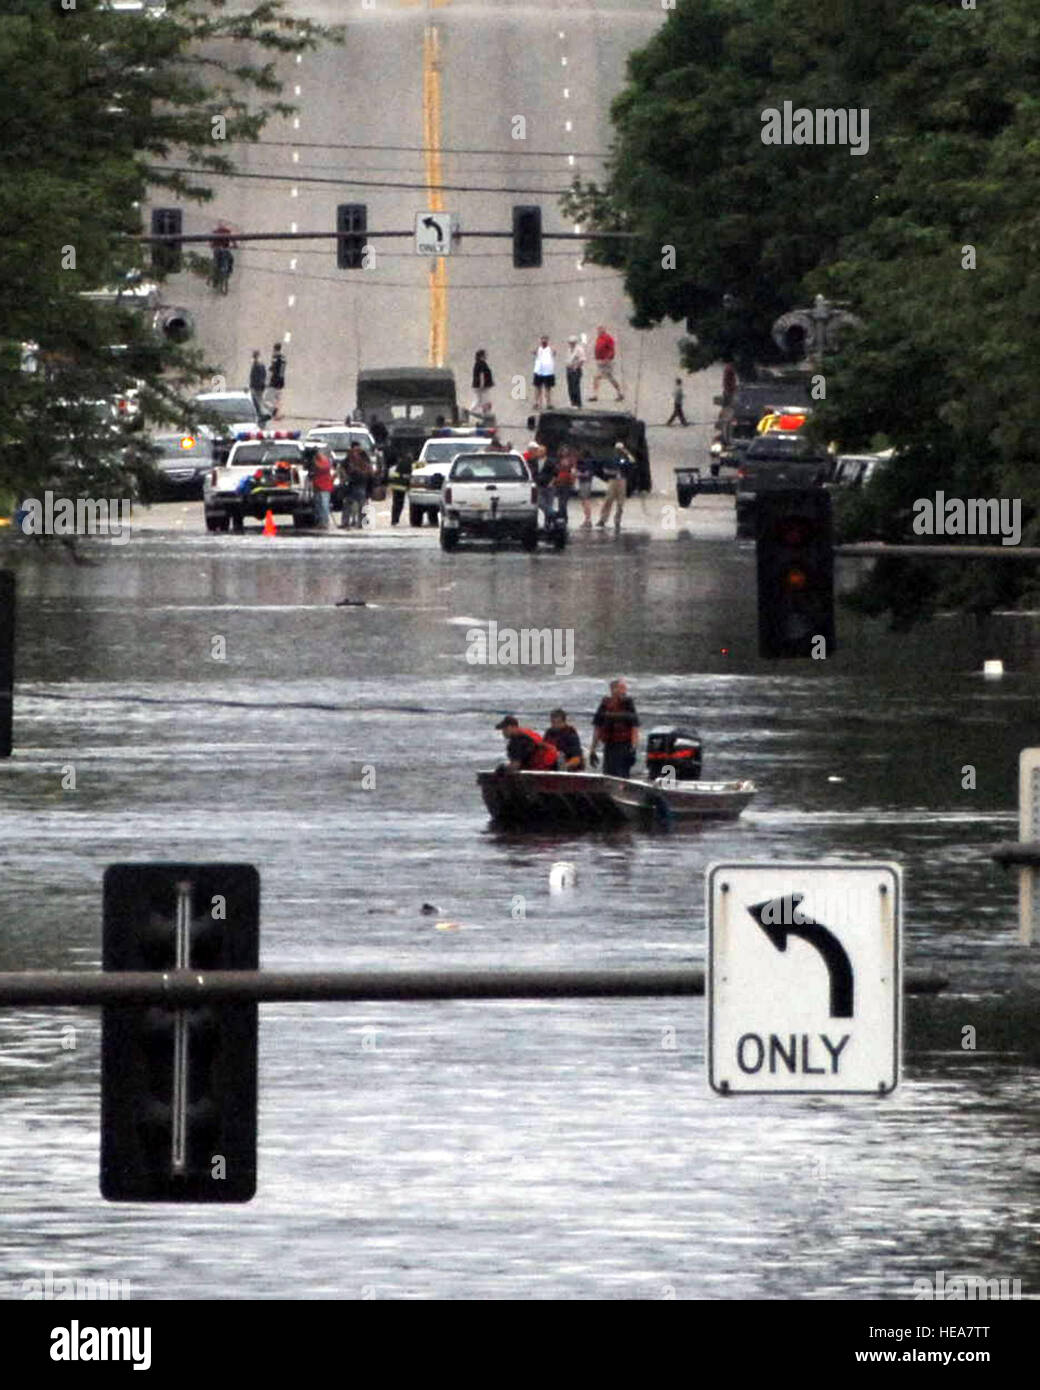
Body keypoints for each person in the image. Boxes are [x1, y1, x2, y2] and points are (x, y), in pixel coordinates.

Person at [590, 679, 639, 778]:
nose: (623, 691)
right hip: (609, 745)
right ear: (612, 690)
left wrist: (633, 748)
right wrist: (592, 750)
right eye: (620, 688)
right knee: (608, 773)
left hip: (624, 745)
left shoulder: (628, 704)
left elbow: (634, 727)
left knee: (622, 773)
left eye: (624, 689)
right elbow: (597, 728)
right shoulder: (604, 705)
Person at [495, 715, 560, 771]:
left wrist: (503, 769)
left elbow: (515, 766)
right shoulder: (525, 734)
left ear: (514, 727)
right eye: (502, 729)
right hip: (554, 760)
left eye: (506, 728)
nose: (503, 732)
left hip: (549, 764)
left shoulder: (518, 741)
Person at [596, 441, 634, 531]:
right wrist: (611, 473)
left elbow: (632, 462)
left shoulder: (625, 458)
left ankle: (617, 520)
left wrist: (627, 453)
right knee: (608, 500)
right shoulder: (611, 458)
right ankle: (603, 519)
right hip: (612, 480)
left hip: (622, 480)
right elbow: (604, 469)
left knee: (621, 502)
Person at [339, 442, 372, 528]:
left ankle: (361, 523)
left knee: (361, 504)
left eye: (358, 449)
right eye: (355, 449)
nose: (356, 451)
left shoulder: (363, 457)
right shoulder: (349, 458)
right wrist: (344, 478)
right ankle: (346, 522)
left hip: (361, 483)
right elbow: (342, 467)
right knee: (348, 504)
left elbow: (369, 469)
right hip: (351, 484)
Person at [588, 325, 623, 402]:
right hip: (600, 361)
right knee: (609, 378)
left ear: (604, 331)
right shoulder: (599, 338)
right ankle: (619, 393)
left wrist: (608, 358)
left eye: (600, 330)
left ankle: (595, 395)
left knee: (599, 377)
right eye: (598, 330)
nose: (598, 332)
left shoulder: (608, 338)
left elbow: (611, 349)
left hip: (607, 362)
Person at [310, 449, 334, 528]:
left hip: (324, 486)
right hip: (317, 485)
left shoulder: (324, 461)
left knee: (324, 504)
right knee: (318, 505)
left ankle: (325, 521)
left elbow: (322, 468)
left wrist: (314, 462)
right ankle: (320, 521)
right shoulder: (320, 461)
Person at [387, 454, 412, 525]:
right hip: (402, 487)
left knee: (395, 504)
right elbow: (408, 477)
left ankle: (394, 520)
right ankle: (396, 519)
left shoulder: (398, 465)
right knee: (400, 504)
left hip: (395, 486)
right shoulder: (408, 465)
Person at [553, 445, 576, 522]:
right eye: (563, 451)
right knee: (560, 500)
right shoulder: (557, 460)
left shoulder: (571, 460)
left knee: (563, 501)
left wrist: (573, 481)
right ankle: (562, 515)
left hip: (567, 482)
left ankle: (563, 515)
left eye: (565, 451)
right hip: (558, 482)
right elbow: (554, 471)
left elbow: (573, 471)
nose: (564, 452)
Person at [532, 335, 555, 409]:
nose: (544, 342)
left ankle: (548, 403)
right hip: (539, 371)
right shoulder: (538, 348)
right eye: (542, 340)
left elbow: (554, 352)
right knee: (537, 388)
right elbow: (533, 351)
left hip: (548, 372)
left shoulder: (550, 349)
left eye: (545, 340)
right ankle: (536, 402)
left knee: (547, 388)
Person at [265, 343, 286, 420]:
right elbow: (282, 370)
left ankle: (274, 411)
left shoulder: (275, 357)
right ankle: (278, 415)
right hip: (281, 382)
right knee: (278, 399)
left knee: (266, 400)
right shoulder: (283, 358)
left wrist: (268, 381)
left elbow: (272, 369)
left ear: (274, 349)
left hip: (274, 382)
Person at [470, 349, 493, 419]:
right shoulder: (481, 364)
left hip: (480, 387)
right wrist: (482, 385)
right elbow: (481, 375)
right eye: (485, 355)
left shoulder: (479, 363)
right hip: (481, 387)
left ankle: (473, 412)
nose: (486, 356)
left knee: (480, 400)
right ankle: (472, 412)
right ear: (481, 356)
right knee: (483, 401)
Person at [575, 449, 595, 528]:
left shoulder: (587, 462)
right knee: (584, 501)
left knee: (585, 501)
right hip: (585, 482)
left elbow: (587, 474)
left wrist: (578, 474)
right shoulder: (588, 462)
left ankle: (588, 520)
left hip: (585, 482)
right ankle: (587, 519)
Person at [565, 335, 585, 407]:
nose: (571, 344)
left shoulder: (579, 349)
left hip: (576, 370)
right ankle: (572, 403)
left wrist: (576, 367)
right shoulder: (569, 349)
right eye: (570, 342)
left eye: (572, 342)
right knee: (570, 387)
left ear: (575, 342)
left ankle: (578, 403)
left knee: (575, 387)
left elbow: (582, 360)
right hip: (569, 369)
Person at [247, 351, 267, 421]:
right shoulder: (261, 365)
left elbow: (253, 377)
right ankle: (261, 414)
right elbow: (264, 375)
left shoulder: (256, 365)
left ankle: (261, 415)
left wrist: (251, 385)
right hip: (260, 386)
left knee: (257, 401)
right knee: (259, 401)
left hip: (256, 387)